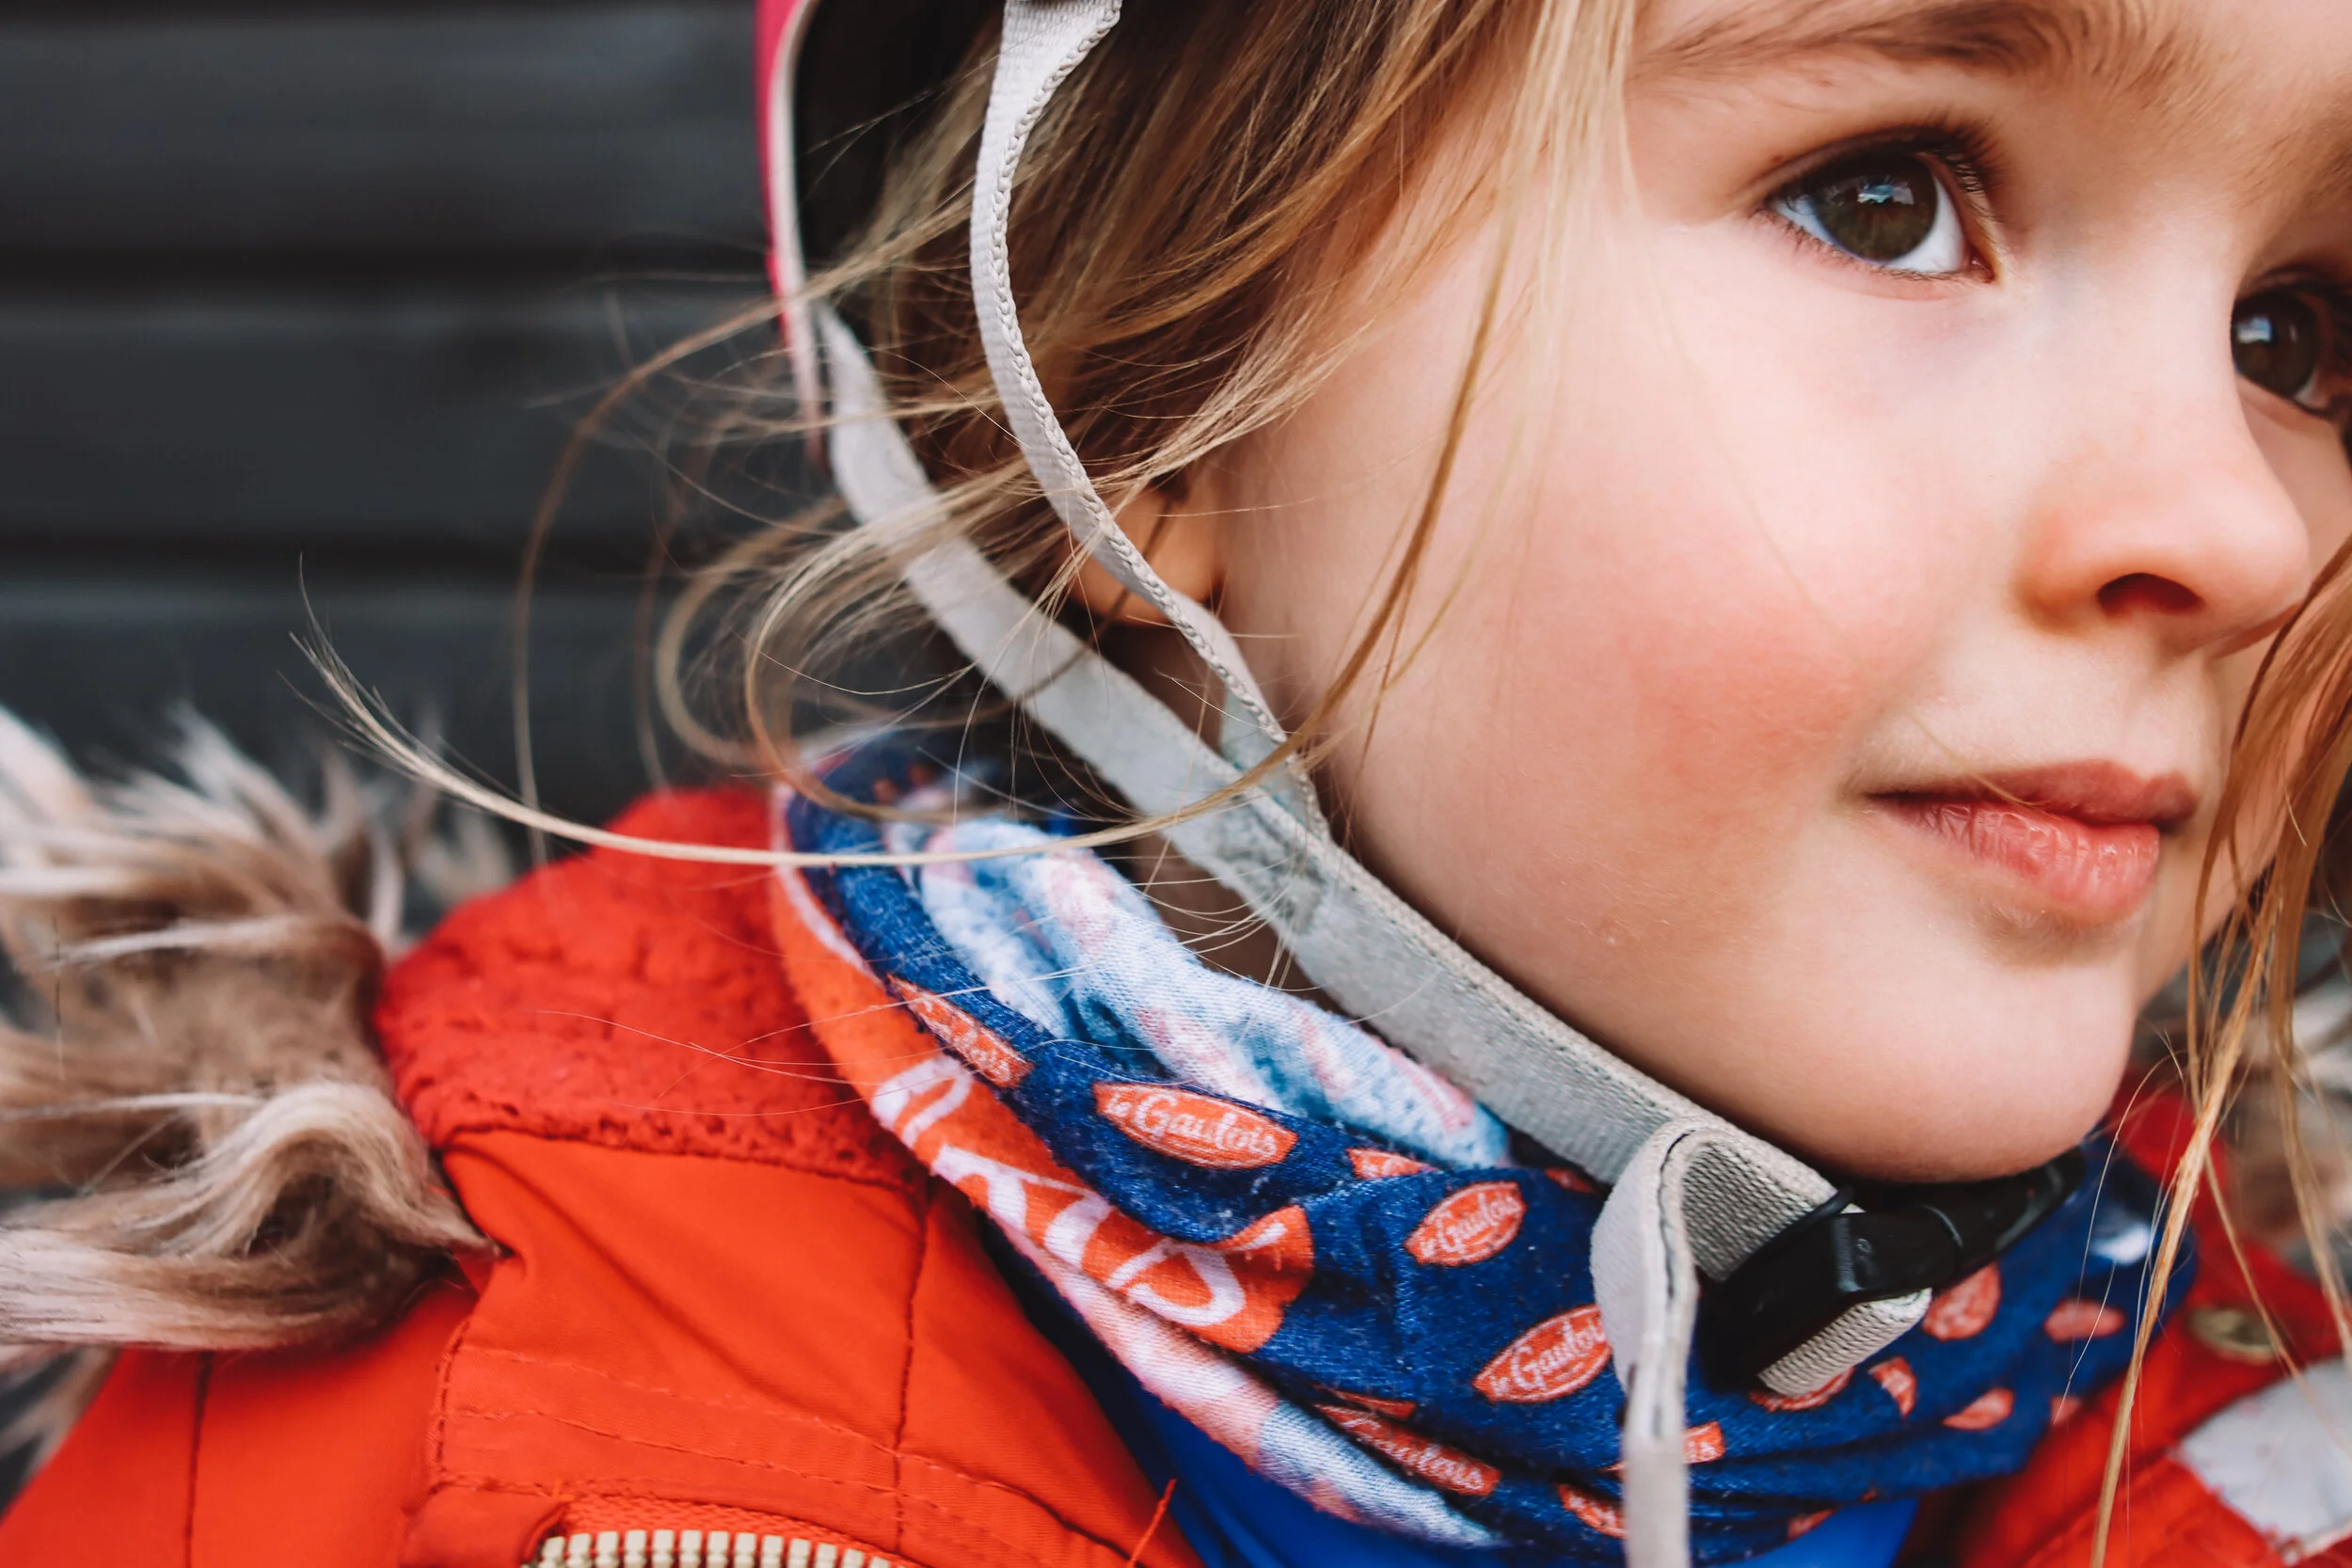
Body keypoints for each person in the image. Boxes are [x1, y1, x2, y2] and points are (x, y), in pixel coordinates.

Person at [3, 0, 2352, 1562]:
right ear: (1133, 423)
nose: (2242, 527)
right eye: (1881, 195)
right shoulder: (505, 1446)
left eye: (2298, 332)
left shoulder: (2243, 1379)